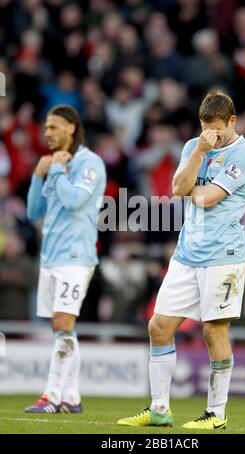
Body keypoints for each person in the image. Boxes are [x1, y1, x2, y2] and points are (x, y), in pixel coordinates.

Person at [118, 91, 245, 430]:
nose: (211, 135)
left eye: (217, 129)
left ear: (232, 122)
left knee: (213, 331)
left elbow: (207, 197)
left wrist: (187, 190)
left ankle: (216, 414)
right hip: (186, 254)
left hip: (222, 257)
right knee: (159, 326)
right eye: (205, 127)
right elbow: (176, 185)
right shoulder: (194, 146)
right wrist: (199, 150)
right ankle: (160, 409)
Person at [25, 104, 106, 414]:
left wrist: (56, 169)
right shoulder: (53, 163)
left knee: (63, 321)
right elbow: (34, 211)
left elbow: (74, 201)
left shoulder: (90, 164)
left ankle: (52, 396)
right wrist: (38, 174)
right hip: (50, 257)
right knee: (62, 329)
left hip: (76, 256)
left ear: (71, 128)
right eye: (45, 128)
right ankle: (72, 395)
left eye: (53, 127)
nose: (47, 134)